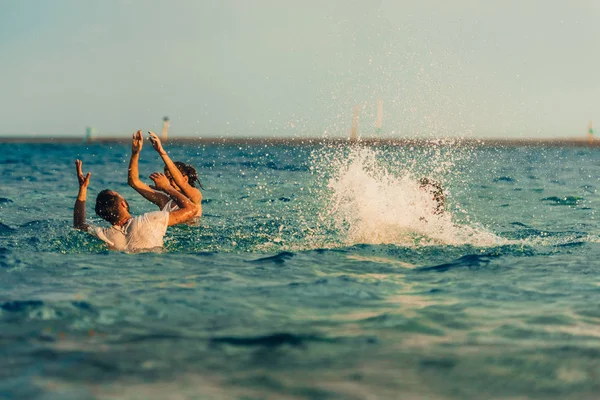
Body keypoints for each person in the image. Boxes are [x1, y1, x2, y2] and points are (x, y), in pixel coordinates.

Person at [73, 159, 198, 251]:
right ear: (123, 204)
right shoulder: (151, 220)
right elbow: (191, 209)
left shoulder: (104, 234)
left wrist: (82, 189)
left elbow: (79, 224)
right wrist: (167, 187)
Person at [127, 130, 202, 219]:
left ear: (186, 178)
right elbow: (133, 182)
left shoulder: (195, 197)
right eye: (166, 178)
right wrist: (135, 154)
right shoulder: (164, 201)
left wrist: (161, 152)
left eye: (171, 178)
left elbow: (181, 183)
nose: (167, 181)